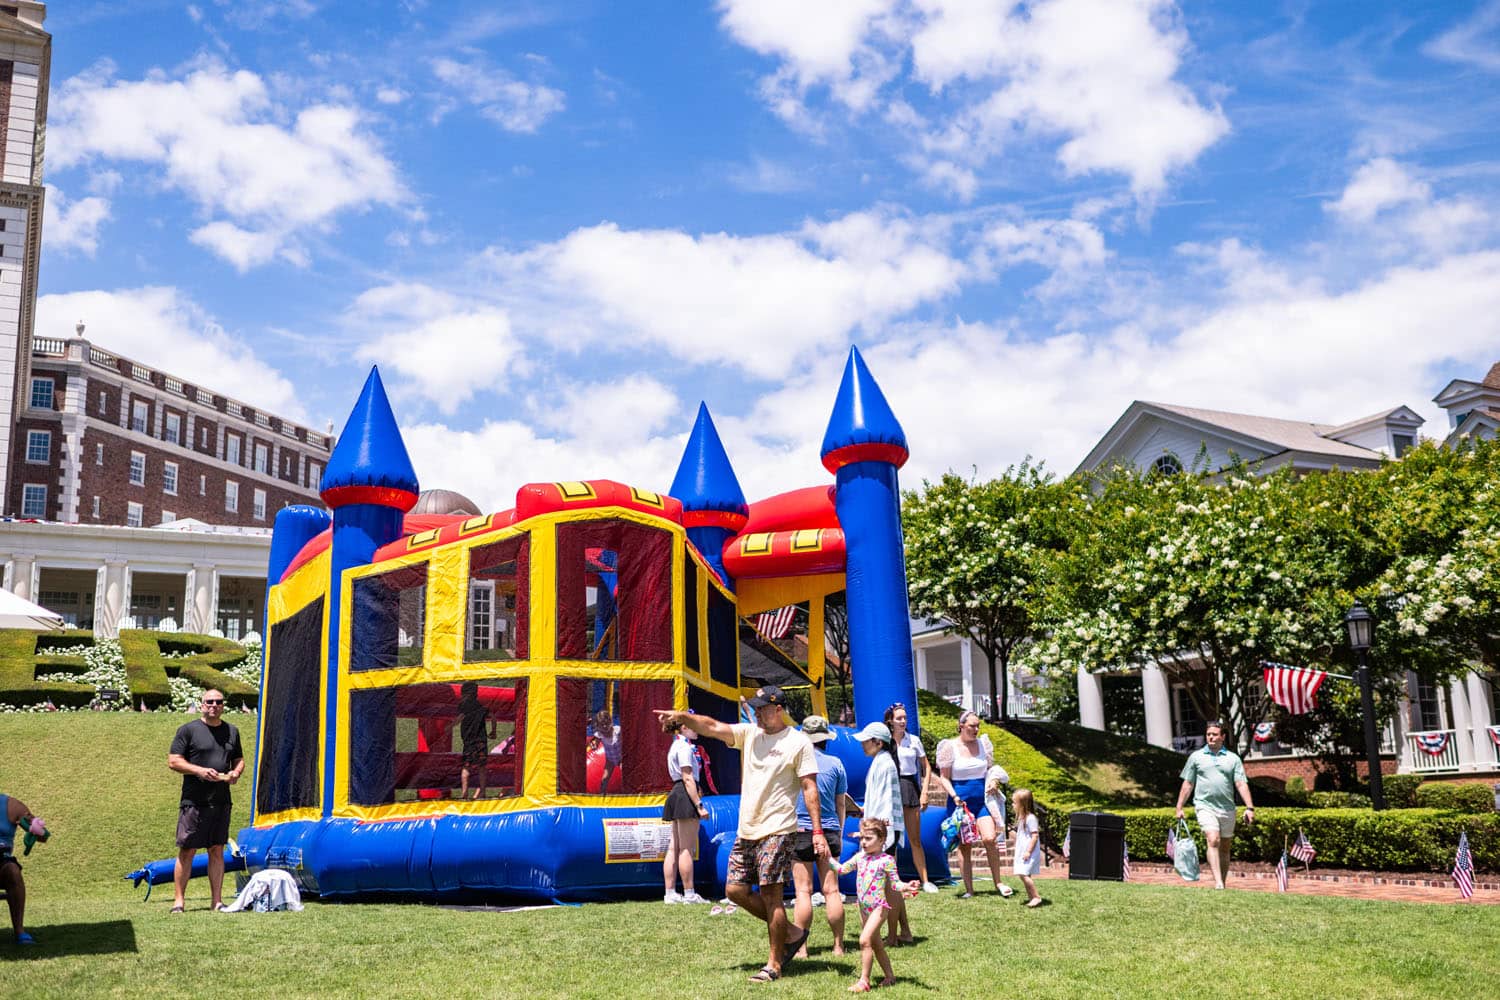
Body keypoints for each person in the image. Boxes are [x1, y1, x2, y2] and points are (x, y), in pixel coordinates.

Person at [655, 685, 827, 984]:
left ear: (778, 709)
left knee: (771, 894)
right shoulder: (750, 734)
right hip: (747, 828)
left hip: (778, 828)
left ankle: (774, 964)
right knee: (735, 890)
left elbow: (810, 789)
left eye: (763, 708)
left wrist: (817, 831)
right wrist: (683, 716)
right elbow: (712, 726)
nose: (757, 713)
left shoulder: (798, 742)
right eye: (756, 708)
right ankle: (791, 933)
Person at [167, 688, 244, 913]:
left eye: (218, 702)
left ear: (223, 705)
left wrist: (235, 773)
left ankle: (217, 902)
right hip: (194, 801)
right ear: (202, 705)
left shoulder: (232, 731)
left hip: (221, 801)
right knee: (187, 850)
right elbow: (173, 761)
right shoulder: (188, 730)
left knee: (217, 850)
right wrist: (199, 771)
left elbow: (239, 760)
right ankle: (179, 902)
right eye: (209, 701)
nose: (214, 705)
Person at [834, 818, 918, 993]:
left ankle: (864, 981)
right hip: (863, 908)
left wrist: (906, 886)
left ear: (881, 840)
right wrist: (827, 857)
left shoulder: (886, 860)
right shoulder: (860, 857)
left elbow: (895, 884)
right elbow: (842, 870)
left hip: (879, 908)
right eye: (862, 838)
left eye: (868, 838)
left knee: (864, 940)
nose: (863, 842)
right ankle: (890, 976)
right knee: (877, 944)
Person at [936, 711, 1013, 898]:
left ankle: (999, 882)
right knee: (965, 845)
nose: (976, 729)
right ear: (961, 726)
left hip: (982, 801)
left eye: (978, 725)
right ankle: (969, 889)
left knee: (989, 838)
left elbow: (989, 770)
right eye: (972, 726)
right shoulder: (950, 747)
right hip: (959, 803)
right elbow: (944, 777)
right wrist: (954, 795)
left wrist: (994, 781)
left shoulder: (983, 744)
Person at [789, 714, 848, 958]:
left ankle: (801, 948)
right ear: (826, 739)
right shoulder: (835, 764)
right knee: (831, 891)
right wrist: (839, 833)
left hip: (801, 831)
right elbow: (840, 804)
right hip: (830, 831)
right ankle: (838, 946)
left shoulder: (795, 764)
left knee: (803, 892)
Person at [852, 721, 913, 947]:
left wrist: (877, 835)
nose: (862, 745)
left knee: (889, 885)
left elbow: (886, 802)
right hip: (881, 829)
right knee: (890, 883)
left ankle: (893, 935)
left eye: (866, 741)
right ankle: (902, 931)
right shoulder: (881, 762)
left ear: (878, 742)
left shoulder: (884, 764)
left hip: (883, 832)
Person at [1175, 719, 1255, 890]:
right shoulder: (1196, 757)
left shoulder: (1233, 759)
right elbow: (1188, 784)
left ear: (1223, 737)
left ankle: (1223, 882)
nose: (1211, 737)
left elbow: (1241, 783)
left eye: (1214, 734)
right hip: (1205, 806)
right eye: (1208, 734)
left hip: (1227, 808)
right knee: (1213, 839)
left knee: (1225, 847)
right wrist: (1179, 807)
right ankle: (1218, 883)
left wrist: (1249, 808)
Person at [885, 703, 938, 893]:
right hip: (891, 787)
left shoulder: (914, 740)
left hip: (910, 786)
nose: (903, 721)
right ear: (890, 720)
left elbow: (927, 767)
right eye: (899, 718)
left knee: (915, 839)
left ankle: (925, 881)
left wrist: (925, 791)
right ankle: (893, 880)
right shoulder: (885, 741)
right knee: (892, 837)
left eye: (905, 718)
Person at [661, 716, 709, 904]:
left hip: (676, 792)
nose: (696, 729)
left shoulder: (675, 745)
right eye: (692, 726)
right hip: (684, 793)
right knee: (686, 848)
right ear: (683, 727)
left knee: (674, 847)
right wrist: (699, 805)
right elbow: (687, 777)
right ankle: (689, 893)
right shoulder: (684, 747)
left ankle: (670, 893)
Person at [0, 793, 45, 944]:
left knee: (13, 870)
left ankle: (19, 931)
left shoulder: (12, 805)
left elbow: (43, 836)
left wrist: (37, 829)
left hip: (2, 862)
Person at [1011, 788, 1044, 908]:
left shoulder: (1030, 819)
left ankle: (1036, 897)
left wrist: (1028, 851)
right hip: (1023, 851)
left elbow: (1035, 836)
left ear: (1022, 804)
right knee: (1023, 874)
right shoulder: (1022, 818)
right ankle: (1031, 897)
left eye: (1015, 802)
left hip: (1028, 851)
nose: (1013, 805)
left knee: (1023, 874)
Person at [457, 681, 489, 800]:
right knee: (481, 766)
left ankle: (464, 793)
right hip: (481, 741)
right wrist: (494, 731)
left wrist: (450, 726)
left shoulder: (463, 706)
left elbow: (460, 717)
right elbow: (493, 717)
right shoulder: (480, 706)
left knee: (466, 767)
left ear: (465, 694)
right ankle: (483, 792)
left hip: (469, 742)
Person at [594, 708, 621, 792]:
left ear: (610, 722)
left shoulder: (617, 730)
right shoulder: (599, 734)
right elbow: (595, 743)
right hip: (610, 761)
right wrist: (594, 745)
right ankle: (601, 796)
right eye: (602, 725)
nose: (605, 727)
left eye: (606, 724)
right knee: (604, 779)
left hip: (621, 758)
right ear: (598, 726)